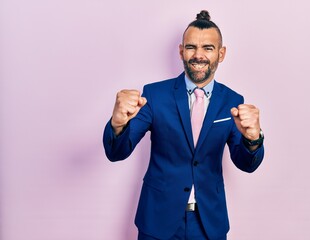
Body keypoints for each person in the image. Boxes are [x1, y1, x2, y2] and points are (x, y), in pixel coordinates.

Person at [103, 10, 265, 240]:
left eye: (208, 48)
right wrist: (118, 125)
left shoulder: (232, 101)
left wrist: (253, 139)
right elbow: (116, 152)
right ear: (181, 51)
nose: (198, 55)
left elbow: (247, 164)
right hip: (158, 220)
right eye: (191, 47)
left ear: (221, 54)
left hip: (209, 223)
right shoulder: (154, 95)